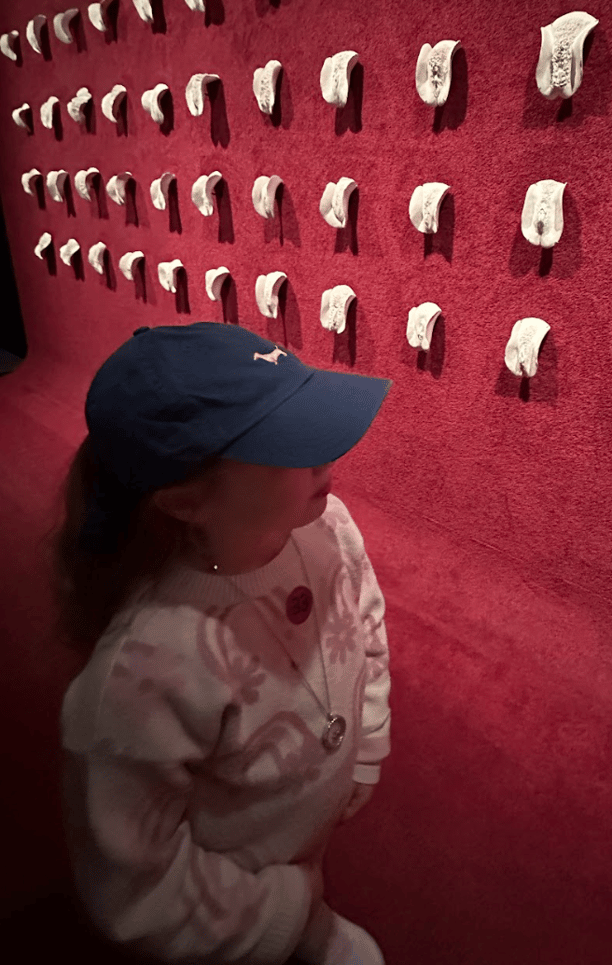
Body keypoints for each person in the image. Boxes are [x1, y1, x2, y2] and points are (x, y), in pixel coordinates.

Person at [56, 322, 393, 965]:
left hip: (294, 836)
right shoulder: (141, 675)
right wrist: (287, 915)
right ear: (186, 501)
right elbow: (138, 887)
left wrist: (367, 745)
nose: (328, 457)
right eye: (291, 444)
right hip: (232, 892)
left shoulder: (330, 529)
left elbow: (367, 626)